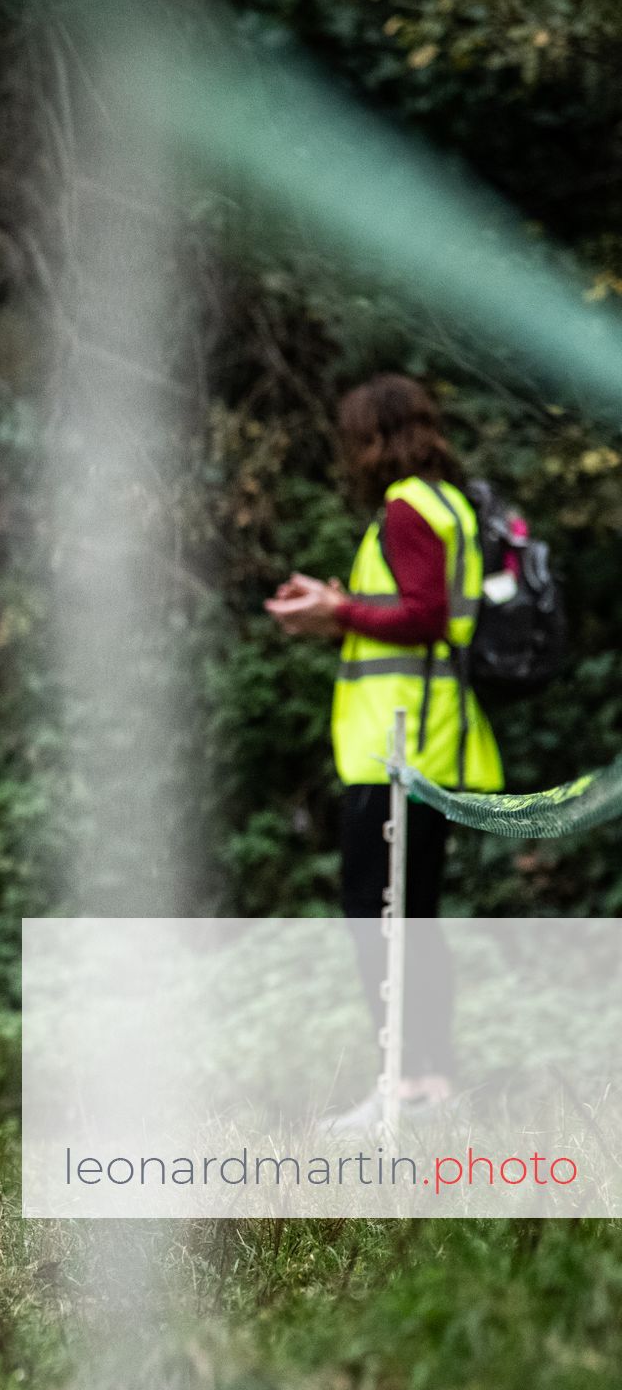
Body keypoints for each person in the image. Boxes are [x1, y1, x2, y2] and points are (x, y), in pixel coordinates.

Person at [266, 374, 499, 1129]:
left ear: (371, 437)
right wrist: (341, 609)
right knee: (412, 917)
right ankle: (430, 1084)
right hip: (432, 738)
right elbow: (421, 613)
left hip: (398, 748)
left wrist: (338, 610)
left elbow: (424, 618)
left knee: (377, 915)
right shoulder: (449, 502)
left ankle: (405, 1085)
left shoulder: (407, 508)